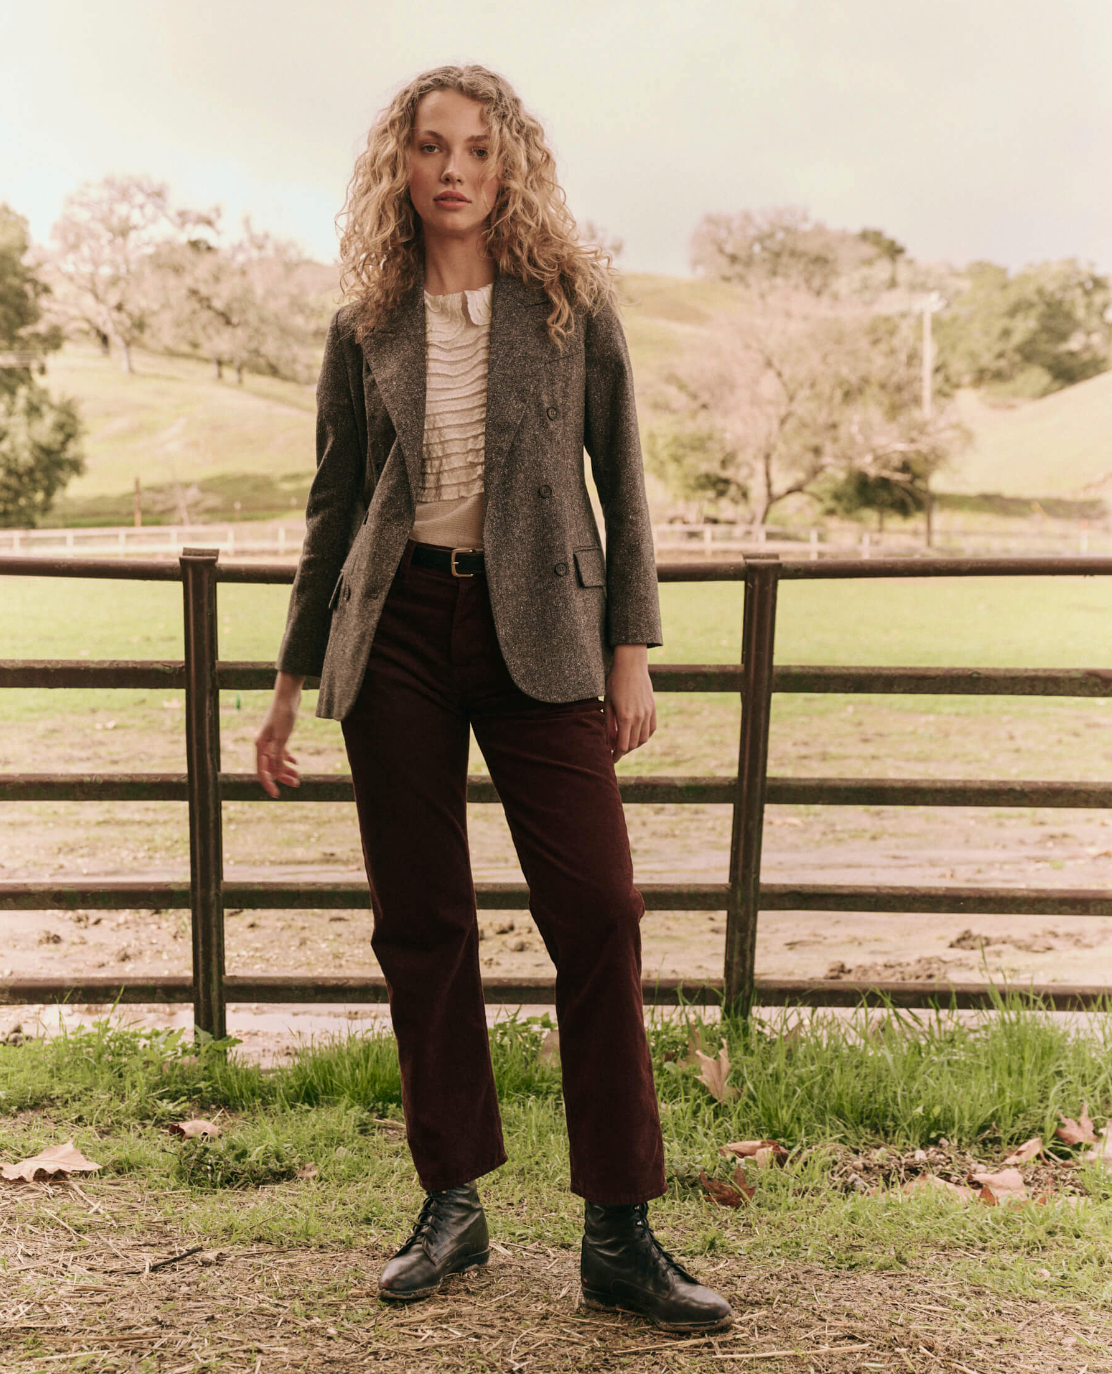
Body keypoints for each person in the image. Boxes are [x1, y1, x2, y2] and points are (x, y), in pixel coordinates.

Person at [254, 64, 732, 1334]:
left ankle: (618, 1230)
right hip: (396, 628)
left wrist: (632, 650)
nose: (452, 168)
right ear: (399, 167)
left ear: (507, 165)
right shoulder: (367, 318)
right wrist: (290, 685)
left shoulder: (569, 303)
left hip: (547, 632)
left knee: (601, 909)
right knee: (422, 921)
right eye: (428, 147)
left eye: (475, 148)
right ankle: (451, 1203)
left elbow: (620, 482)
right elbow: (332, 506)